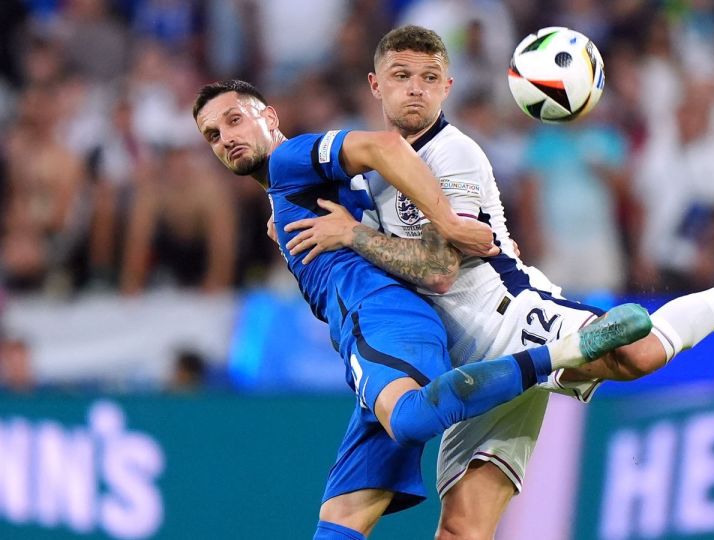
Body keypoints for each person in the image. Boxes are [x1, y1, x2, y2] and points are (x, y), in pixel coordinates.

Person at [281, 25, 714, 539]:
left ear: (447, 88)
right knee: (462, 531)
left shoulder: (454, 154)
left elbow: (440, 270)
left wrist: (354, 235)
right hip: (463, 367)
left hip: (504, 314)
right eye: (401, 76)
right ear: (375, 85)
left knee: (639, 354)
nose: (415, 89)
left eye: (429, 78)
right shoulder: (363, 167)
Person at [192, 79, 652, 540]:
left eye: (235, 120)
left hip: (378, 317)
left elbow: (386, 146)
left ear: (269, 117)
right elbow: (379, 196)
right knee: (340, 521)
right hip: (372, 328)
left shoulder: (290, 159)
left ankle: (562, 352)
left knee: (410, 419)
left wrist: (449, 224)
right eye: (213, 134)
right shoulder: (295, 189)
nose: (227, 138)